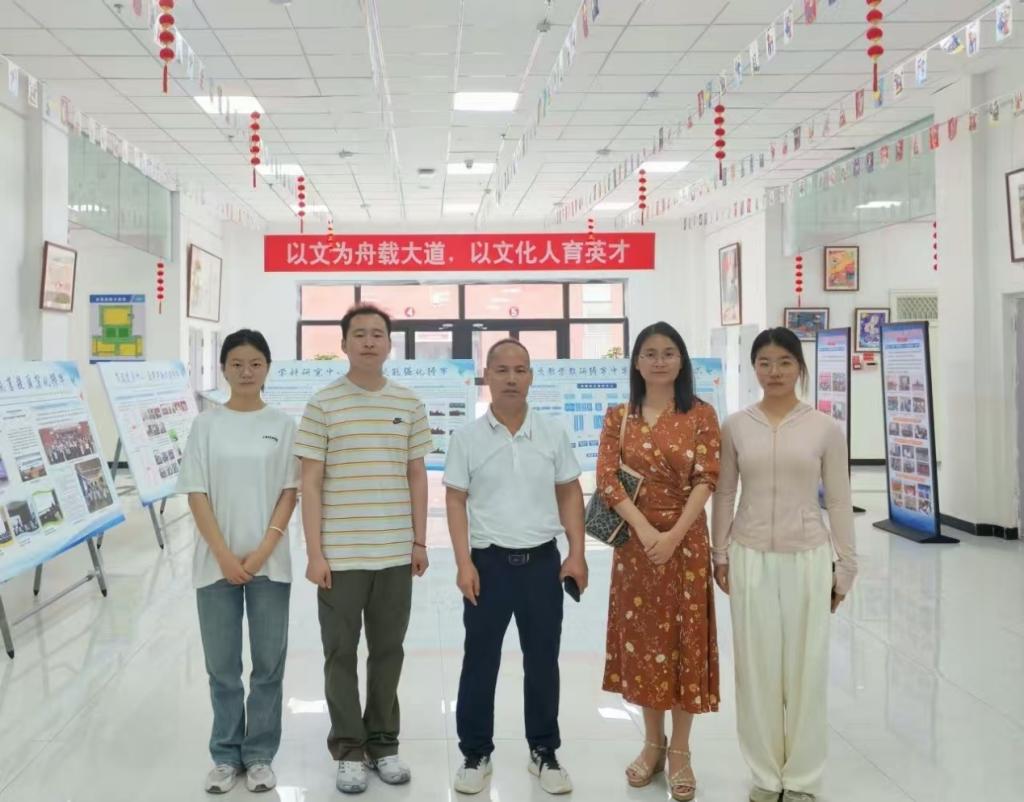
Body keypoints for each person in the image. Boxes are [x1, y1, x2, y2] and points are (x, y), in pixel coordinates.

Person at [711, 327, 857, 802]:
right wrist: (719, 552)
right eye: (764, 363)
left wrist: (846, 564)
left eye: (784, 362)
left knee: (806, 667)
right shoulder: (736, 425)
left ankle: (802, 777)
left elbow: (838, 499)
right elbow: (725, 493)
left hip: (808, 555)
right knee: (756, 669)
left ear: (800, 367)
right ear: (753, 367)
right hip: (749, 553)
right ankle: (764, 772)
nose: (774, 372)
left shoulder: (824, 427)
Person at [295, 304, 432, 795]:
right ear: (343, 344)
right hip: (341, 556)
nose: (369, 341)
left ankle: (383, 743)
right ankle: (349, 749)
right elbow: (310, 483)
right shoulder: (322, 404)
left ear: (390, 344)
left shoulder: (409, 403)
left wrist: (419, 540)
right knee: (340, 654)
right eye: (359, 334)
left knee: (388, 652)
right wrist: (315, 553)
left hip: (394, 553)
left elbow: (417, 475)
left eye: (377, 334)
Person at [444, 338, 588, 796]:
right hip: (488, 565)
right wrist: (463, 562)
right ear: (487, 376)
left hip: (542, 564)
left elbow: (569, 492)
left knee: (543, 660)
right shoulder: (466, 438)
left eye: (520, 370)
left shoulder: (551, 433)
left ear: (531, 376)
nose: (511, 378)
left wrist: (577, 553)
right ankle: (475, 752)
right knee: (479, 660)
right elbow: (455, 499)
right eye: (502, 370)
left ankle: (543, 749)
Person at [595, 322, 721, 802]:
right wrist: (648, 533)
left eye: (669, 352)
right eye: (650, 353)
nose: (660, 361)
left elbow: (707, 478)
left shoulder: (701, 414)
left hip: (686, 544)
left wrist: (673, 535)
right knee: (646, 644)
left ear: (682, 360)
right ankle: (652, 743)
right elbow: (607, 480)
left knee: (685, 641)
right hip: (636, 546)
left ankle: (681, 751)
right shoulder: (619, 416)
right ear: (636, 362)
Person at [177, 329, 299, 795]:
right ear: (223, 369)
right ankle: (226, 755)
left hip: (271, 564)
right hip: (215, 565)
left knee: (268, 665)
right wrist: (225, 556)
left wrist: (263, 551)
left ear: (267, 368)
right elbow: (196, 492)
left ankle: (260, 754)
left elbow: (289, 492)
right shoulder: (206, 425)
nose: (246, 372)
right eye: (236, 364)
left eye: (255, 364)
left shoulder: (283, 424)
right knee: (222, 667)